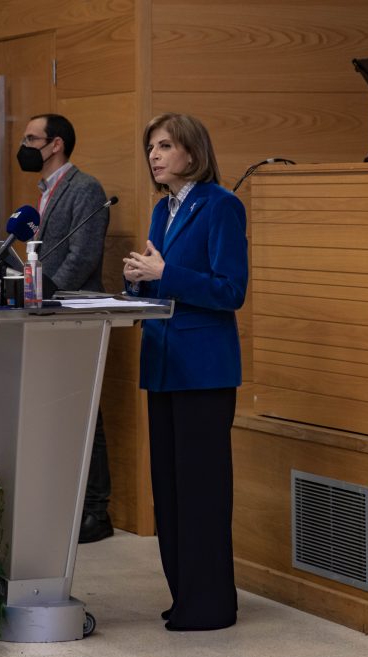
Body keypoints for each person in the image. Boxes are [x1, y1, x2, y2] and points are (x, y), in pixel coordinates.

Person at [122, 113, 248, 630]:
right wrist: (139, 280)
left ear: (192, 153)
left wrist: (165, 273)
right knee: (171, 491)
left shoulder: (221, 205)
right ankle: (185, 596)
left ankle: (210, 605)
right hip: (163, 365)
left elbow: (230, 290)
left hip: (204, 370)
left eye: (165, 146)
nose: (154, 155)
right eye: (151, 147)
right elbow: (160, 282)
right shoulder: (162, 209)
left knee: (202, 492)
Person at [17, 113, 113, 543]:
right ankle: (63, 504)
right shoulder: (45, 192)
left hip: (73, 312)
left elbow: (83, 255)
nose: (23, 146)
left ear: (55, 144)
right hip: (49, 312)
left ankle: (96, 510)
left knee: (84, 413)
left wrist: (46, 294)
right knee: (59, 412)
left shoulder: (84, 187)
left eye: (30, 138)